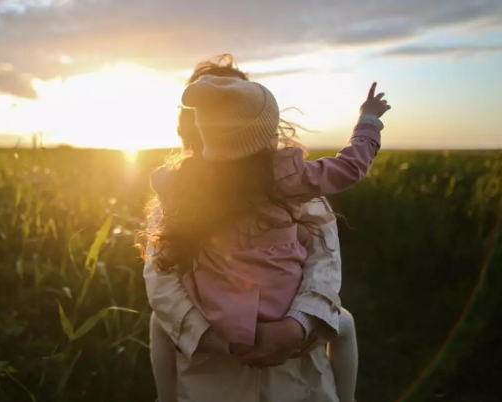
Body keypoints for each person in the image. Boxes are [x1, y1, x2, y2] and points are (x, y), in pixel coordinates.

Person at [143, 55, 388, 402]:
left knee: (342, 322)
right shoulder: (288, 180)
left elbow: (324, 260)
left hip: (299, 377)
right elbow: (162, 280)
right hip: (208, 379)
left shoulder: (293, 193)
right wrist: (216, 340)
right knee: (158, 322)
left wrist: (297, 326)